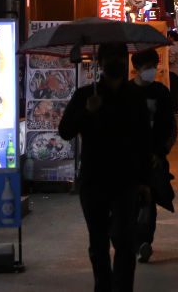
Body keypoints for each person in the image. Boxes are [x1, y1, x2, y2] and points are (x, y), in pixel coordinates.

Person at [59, 43, 153, 292]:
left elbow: (145, 139)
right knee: (98, 243)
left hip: (126, 179)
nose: (117, 61)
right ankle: (103, 286)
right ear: (100, 63)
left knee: (124, 241)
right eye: (111, 57)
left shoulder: (134, 97)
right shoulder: (85, 95)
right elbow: (65, 131)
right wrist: (87, 113)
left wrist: (145, 180)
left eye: (121, 57)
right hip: (93, 179)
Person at [131, 49, 178, 265]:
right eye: (147, 67)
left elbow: (169, 125)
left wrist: (161, 153)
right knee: (130, 201)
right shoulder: (126, 93)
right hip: (129, 158)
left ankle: (144, 243)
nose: (151, 71)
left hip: (153, 158)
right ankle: (134, 241)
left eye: (153, 66)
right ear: (136, 69)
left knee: (148, 201)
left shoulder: (161, 92)